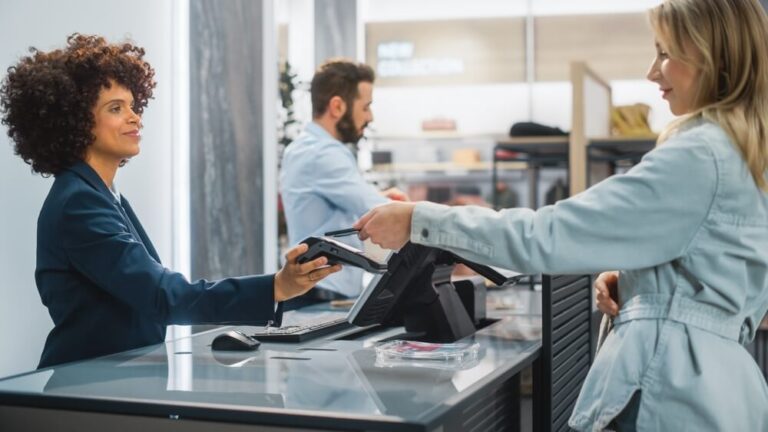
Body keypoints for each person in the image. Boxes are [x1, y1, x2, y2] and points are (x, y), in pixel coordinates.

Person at [354, 0, 768, 430]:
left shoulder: (699, 156)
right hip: (720, 391)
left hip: (675, 392)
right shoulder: (746, 153)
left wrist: (419, 221)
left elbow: (545, 235)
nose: (652, 71)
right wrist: (642, 286)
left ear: (711, 55)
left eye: (665, 52)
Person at [0, 34, 340, 369]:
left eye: (133, 105)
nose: (135, 117)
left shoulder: (99, 194)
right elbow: (163, 295)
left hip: (111, 381)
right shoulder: (79, 204)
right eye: (116, 108)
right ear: (75, 121)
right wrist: (276, 286)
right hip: (85, 387)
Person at [279, 59, 406, 308]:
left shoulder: (310, 148)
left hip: (318, 292)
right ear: (337, 106)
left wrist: (380, 198)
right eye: (366, 107)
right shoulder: (322, 154)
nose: (369, 116)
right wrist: (417, 213)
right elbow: (374, 208)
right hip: (319, 296)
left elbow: (337, 202)